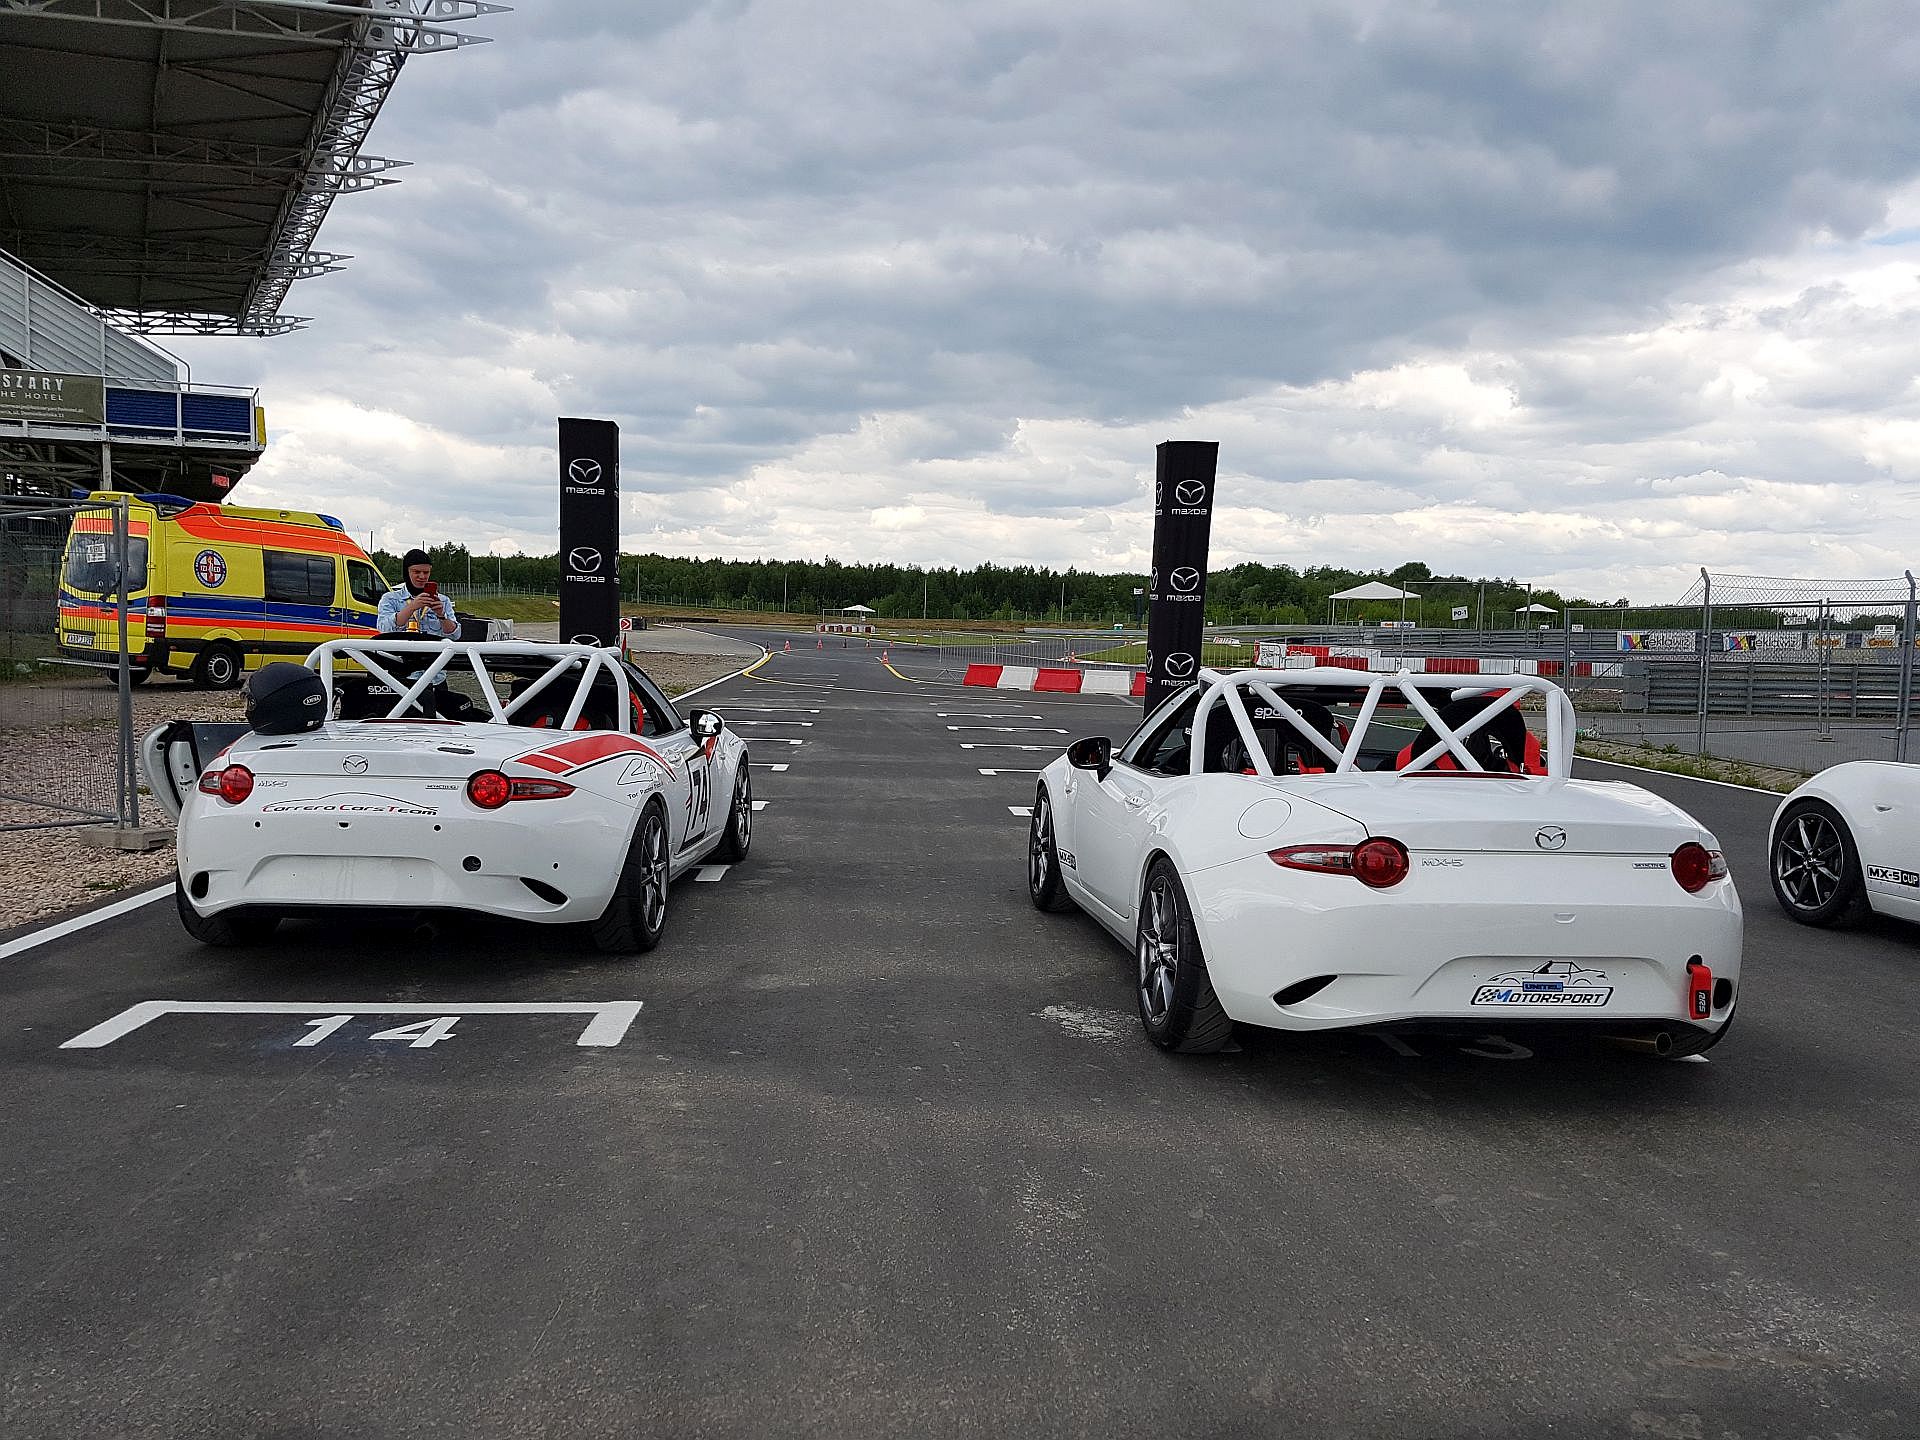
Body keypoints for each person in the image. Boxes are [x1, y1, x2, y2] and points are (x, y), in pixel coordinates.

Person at [377, 548, 460, 639]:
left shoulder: (443, 601)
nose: (422, 576)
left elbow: (455, 636)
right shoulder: (390, 599)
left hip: (434, 652)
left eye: (426, 572)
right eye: (416, 572)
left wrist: (441, 616)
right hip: (400, 652)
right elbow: (384, 630)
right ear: (406, 572)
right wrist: (411, 607)